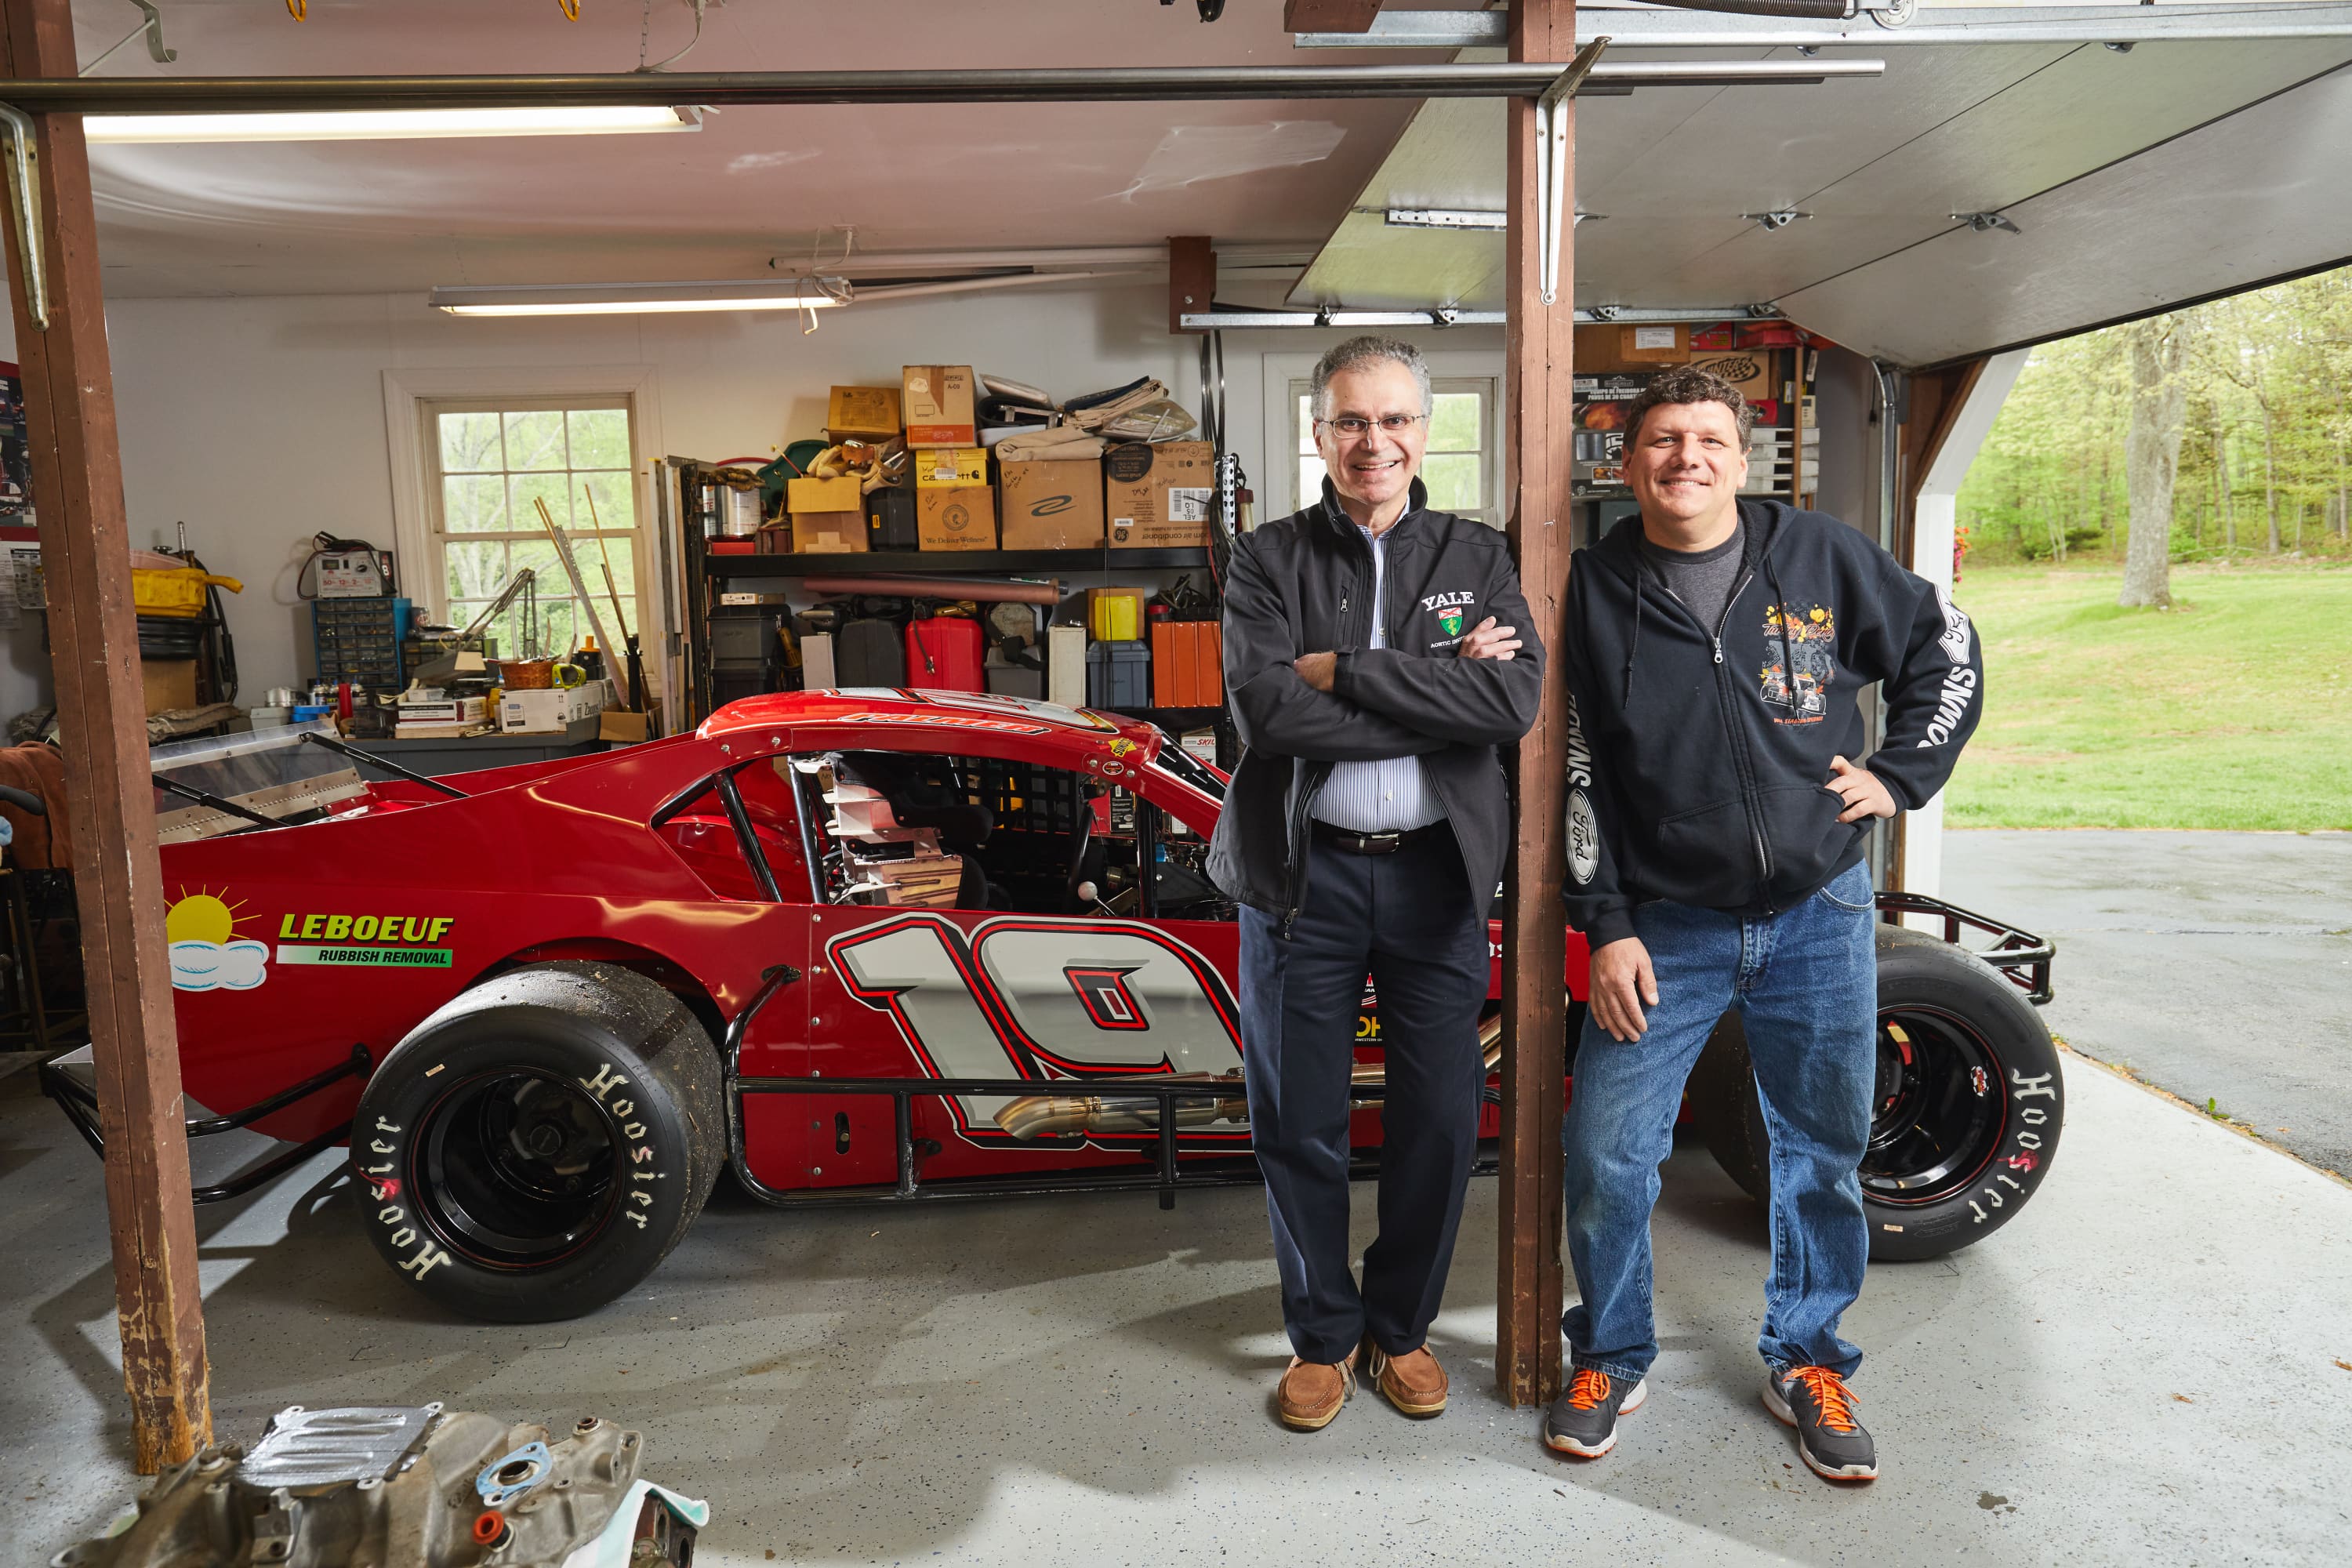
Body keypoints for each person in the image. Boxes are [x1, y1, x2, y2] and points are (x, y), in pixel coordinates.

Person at [1544, 363, 1984, 1482]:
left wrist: (1902, 773)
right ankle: (1610, 1351)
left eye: (1707, 440)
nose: (1684, 458)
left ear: (1743, 460)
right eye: (1661, 441)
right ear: (1627, 462)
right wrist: (1609, 924)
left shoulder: (1822, 558)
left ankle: (1809, 1356)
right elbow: (1578, 771)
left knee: (1823, 1151)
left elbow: (1948, 646)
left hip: (1819, 914)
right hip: (1667, 930)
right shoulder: (1591, 590)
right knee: (1606, 1151)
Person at [1209, 336, 1542, 1432]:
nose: (1374, 442)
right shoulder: (1265, 559)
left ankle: (1400, 1330)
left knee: (1440, 1119)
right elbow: (1271, 714)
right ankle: (1323, 1334)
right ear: (1319, 434)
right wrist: (1445, 682)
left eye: (1395, 420)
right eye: (1352, 421)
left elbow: (1513, 708)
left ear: (1425, 432)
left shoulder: (1480, 555)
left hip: (1437, 880)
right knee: (1297, 1118)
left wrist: (1349, 673)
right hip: (1305, 883)